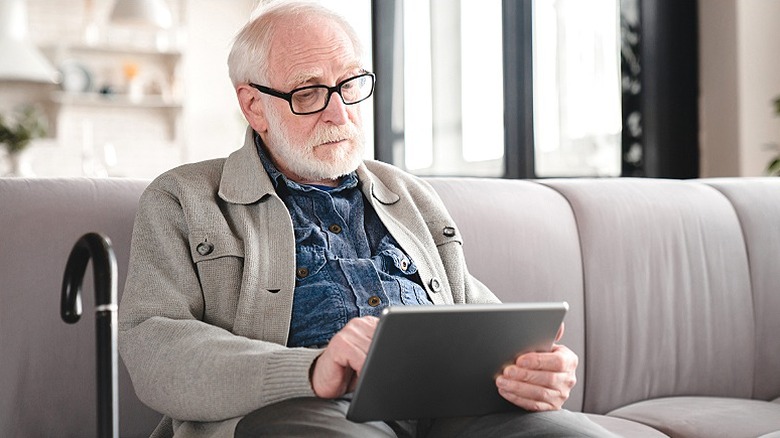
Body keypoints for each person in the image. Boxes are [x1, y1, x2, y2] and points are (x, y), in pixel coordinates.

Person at [118, 1, 617, 437]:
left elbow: (476, 312)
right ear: (254, 106)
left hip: (451, 410)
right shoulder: (185, 198)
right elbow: (156, 349)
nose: (339, 113)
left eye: (350, 85)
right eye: (308, 92)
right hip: (298, 412)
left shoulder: (411, 196)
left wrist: (535, 366)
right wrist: (312, 370)